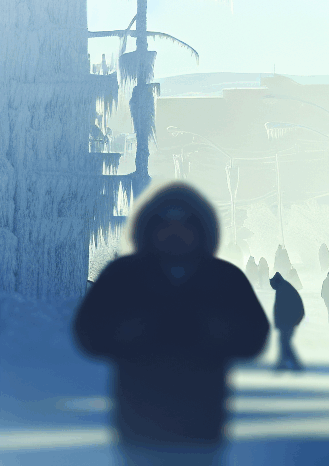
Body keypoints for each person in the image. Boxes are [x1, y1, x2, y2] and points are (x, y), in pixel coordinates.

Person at [73, 183, 269, 466]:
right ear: (148, 228)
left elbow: (255, 336)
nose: (174, 231)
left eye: (185, 223)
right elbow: (88, 332)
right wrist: (132, 331)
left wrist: (213, 330)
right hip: (139, 430)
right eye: (164, 223)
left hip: (201, 432)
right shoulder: (122, 276)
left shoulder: (225, 278)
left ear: (202, 229)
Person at [269, 272, 305, 371]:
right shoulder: (284, 287)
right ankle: (282, 363)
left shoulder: (283, 289)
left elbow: (282, 308)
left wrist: (293, 320)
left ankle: (295, 364)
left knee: (285, 343)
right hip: (287, 321)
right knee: (283, 342)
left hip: (287, 322)